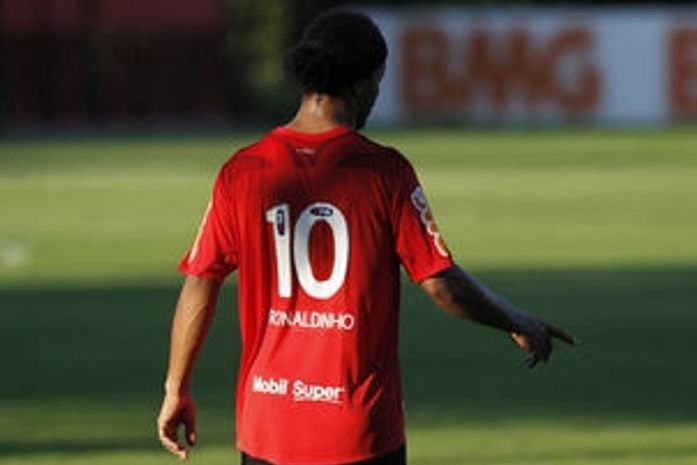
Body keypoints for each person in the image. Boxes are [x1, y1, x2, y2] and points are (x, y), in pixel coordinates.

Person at [156, 9, 578, 465]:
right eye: (379, 79)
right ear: (363, 82)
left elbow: (201, 281)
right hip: (358, 433)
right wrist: (515, 318)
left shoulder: (242, 171)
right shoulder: (384, 173)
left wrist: (176, 388)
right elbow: (441, 284)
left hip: (268, 429)